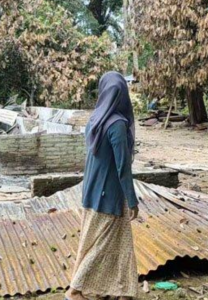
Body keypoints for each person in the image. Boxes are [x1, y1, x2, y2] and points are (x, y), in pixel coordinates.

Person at [65, 71, 139, 300]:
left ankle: (121, 290)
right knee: (101, 245)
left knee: (119, 243)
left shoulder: (95, 119)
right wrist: (132, 199)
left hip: (92, 191)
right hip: (110, 194)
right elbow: (122, 167)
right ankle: (75, 290)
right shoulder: (116, 124)